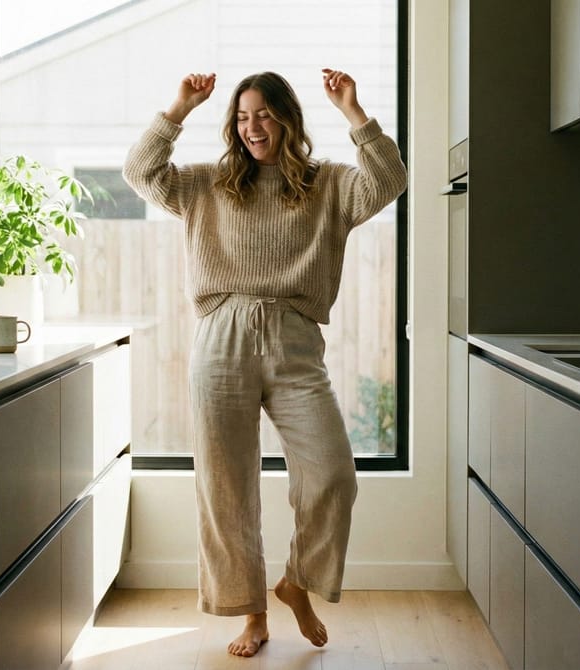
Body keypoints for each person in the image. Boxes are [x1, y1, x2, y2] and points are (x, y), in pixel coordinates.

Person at [123, 68, 407, 658]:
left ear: (287, 119)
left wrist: (355, 112)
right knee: (226, 486)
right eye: (243, 116)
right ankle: (252, 615)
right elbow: (140, 172)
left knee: (332, 475)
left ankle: (296, 583)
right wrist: (179, 106)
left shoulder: (328, 185)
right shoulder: (208, 184)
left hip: (296, 341)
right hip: (221, 337)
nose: (253, 127)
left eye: (265, 115)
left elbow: (389, 179)